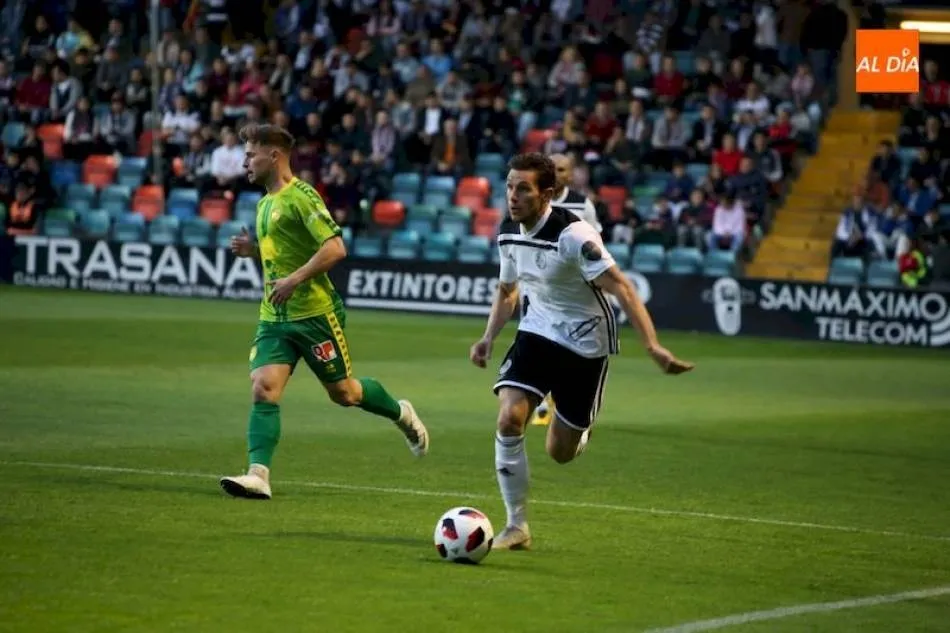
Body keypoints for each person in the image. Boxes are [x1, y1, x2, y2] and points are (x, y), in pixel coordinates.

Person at [469, 153, 694, 550]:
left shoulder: (575, 236)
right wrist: (488, 337)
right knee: (509, 418)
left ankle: (579, 427)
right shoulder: (507, 231)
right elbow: (508, 290)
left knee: (560, 452)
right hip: (536, 330)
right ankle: (516, 526)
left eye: (523, 188)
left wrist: (653, 345)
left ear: (547, 194)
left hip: (584, 342)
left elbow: (622, 286)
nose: (512, 196)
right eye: (509, 186)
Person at [220, 124, 429, 500]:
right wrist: (254, 250)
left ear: (274, 155)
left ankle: (401, 413)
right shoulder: (265, 202)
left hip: (315, 314)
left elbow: (335, 248)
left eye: (251, 154)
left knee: (345, 394)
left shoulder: (302, 197)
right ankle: (258, 474)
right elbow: (284, 252)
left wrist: (294, 280)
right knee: (263, 389)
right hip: (275, 317)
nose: (245, 161)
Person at [530, 152, 603, 428]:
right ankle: (541, 402)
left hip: (572, 291)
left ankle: (566, 404)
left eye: (561, 169)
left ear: (570, 175)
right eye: (551, 168)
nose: (556, 173)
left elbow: (595, 245)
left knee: (567, 347)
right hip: (539, 289)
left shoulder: (582, 205)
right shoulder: (534, 200)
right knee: (540, 343)